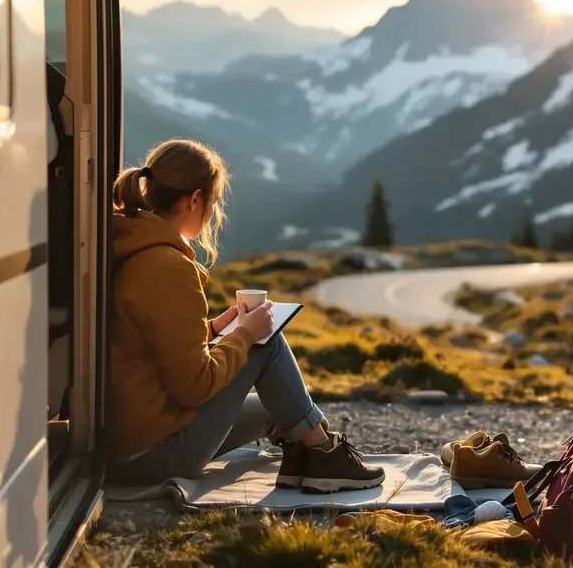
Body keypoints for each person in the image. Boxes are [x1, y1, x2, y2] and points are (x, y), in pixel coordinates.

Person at [107, 139, 385, 493]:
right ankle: (325, 455)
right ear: (195, 200)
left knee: (275, 409)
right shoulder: (168, 266)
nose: (213, 211)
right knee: (266, 343)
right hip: (154, 454)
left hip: (124, 442)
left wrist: (210, 330)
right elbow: (193, 387)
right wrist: (246, 335)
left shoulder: (127, 245)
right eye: (213, 202)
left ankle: (308, 456)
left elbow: (142, 344)